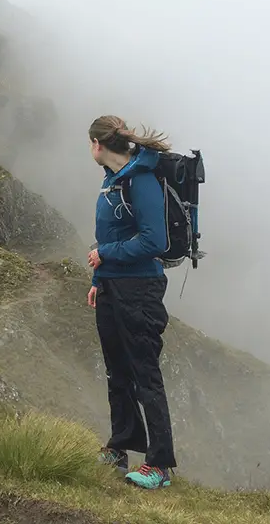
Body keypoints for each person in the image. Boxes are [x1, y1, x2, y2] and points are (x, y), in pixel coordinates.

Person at [86, 114, 177, 490]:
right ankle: (121, 445)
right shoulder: (113, 181)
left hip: (140, 289)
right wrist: (98, 280)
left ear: (97, 145)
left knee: (145, 375)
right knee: (116, 371)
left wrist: (104, 254)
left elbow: (154, 242)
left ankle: (159, 465)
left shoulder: (141, 181)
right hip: (112, 287)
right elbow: (110, 235)